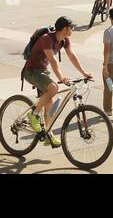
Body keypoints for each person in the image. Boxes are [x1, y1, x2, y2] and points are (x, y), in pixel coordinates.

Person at [22, 16, 91, 148]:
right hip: (31, 71)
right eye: (72, 27)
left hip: (42, 71)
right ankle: (33, 115)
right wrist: (61, 77)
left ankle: (48, 134)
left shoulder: (64, 40)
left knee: (50, 103)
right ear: (65, 28)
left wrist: (84, 73)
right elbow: (52, 60)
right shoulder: (46, 39)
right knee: (54, 88)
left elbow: (72, 56)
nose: (73, 29)